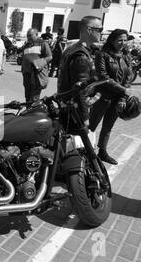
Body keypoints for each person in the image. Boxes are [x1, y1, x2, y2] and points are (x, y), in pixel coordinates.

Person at [89, 29, 133, 165]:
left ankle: (102, 152)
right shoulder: (102, 55)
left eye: (125, 40)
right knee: (91, 126)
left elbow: (128, 78)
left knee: (108, 127)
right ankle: (85, 151)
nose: (123, 43)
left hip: (117, 99)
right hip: (101, 97)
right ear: (112, 40)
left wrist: (122, 98)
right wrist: (124, 90)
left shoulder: (126, 57)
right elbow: (103, 77)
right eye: (120, 40)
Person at [57, 15, 102, 137]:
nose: (101, 33)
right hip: (75, 111)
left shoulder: (72, 48)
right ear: (89, 29)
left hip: (66, 105)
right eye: (99, 29)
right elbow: (79, 90)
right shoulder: (81, 56)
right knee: (76, 150)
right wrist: (85, 118)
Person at [20, 28, 52, 102]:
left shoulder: (42, 43)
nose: (28, 37)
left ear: (37, 34)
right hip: (27, 75)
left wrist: (37, 64)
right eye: (27, 36)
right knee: (27, 97)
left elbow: (49, 57)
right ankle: (28, 112)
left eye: (30, 35)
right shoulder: (26, 45)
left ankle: (33, 113)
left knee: (34, 98)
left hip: (36, 75)